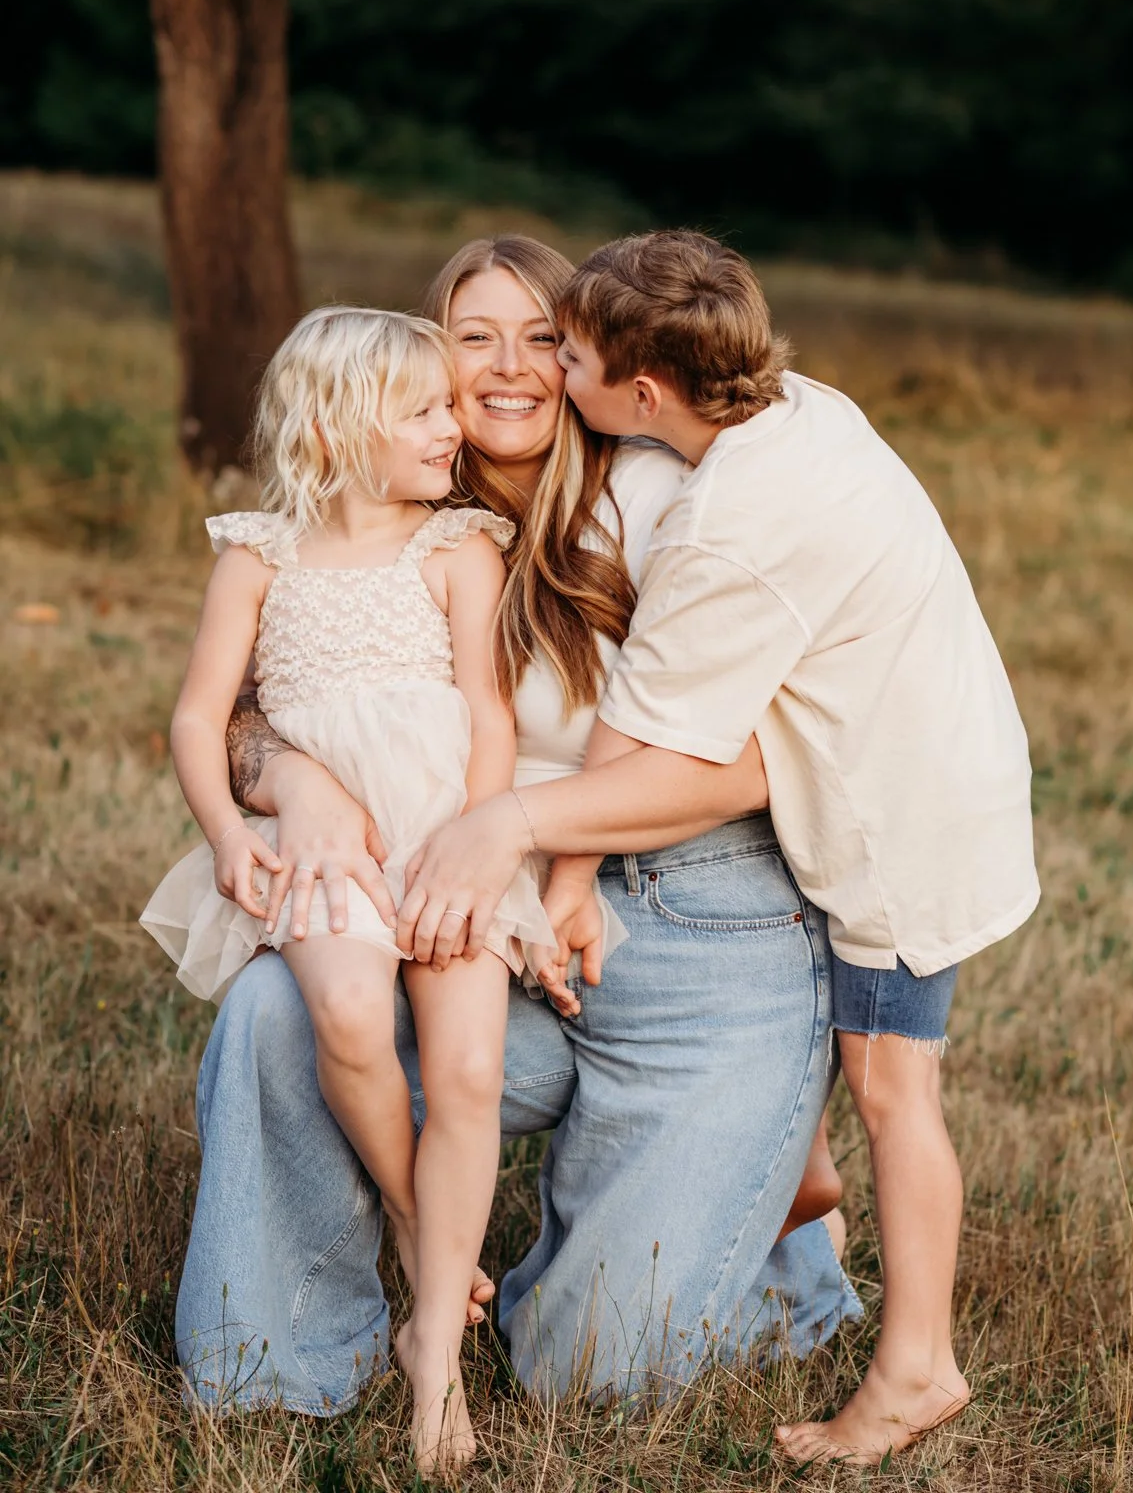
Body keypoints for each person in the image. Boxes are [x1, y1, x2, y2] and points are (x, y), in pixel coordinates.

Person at [173, 237, 858, 1418]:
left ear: (590, 357)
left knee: (590, 1368)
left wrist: (525, 827)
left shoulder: (663, 496)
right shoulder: (416, 502)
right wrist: (289, 777)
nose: (506, 368)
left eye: (542, 337)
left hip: (693, 914)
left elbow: (771, 752)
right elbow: (243, 702)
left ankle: (762, 1226)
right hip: (470, 888)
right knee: (277, 1012)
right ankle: (272, 1363)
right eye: (471, 339)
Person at [413, 230, 1039, 1462]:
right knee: (874, 1088)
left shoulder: (726, 530)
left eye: (567, 350)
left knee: (894, 1091)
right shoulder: (791, 408)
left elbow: (669, 758)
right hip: (945, 775)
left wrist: (524, 829)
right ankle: (792, 1195)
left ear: (642, 396)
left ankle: (913, 1360)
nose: (547, 369)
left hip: (895, 831)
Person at [144, 305, 559, 1472]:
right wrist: (229, 829)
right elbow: (195, 714)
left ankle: (433, 1354)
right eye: (423, 410)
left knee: (468, 1066)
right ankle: (421, 1220)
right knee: (341, 1011)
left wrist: (478, 851)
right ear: (337, 425)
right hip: (329, 852)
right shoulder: (257, 552)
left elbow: (486, 712)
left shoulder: (455, 548)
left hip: (444, 838)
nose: (451, 427)